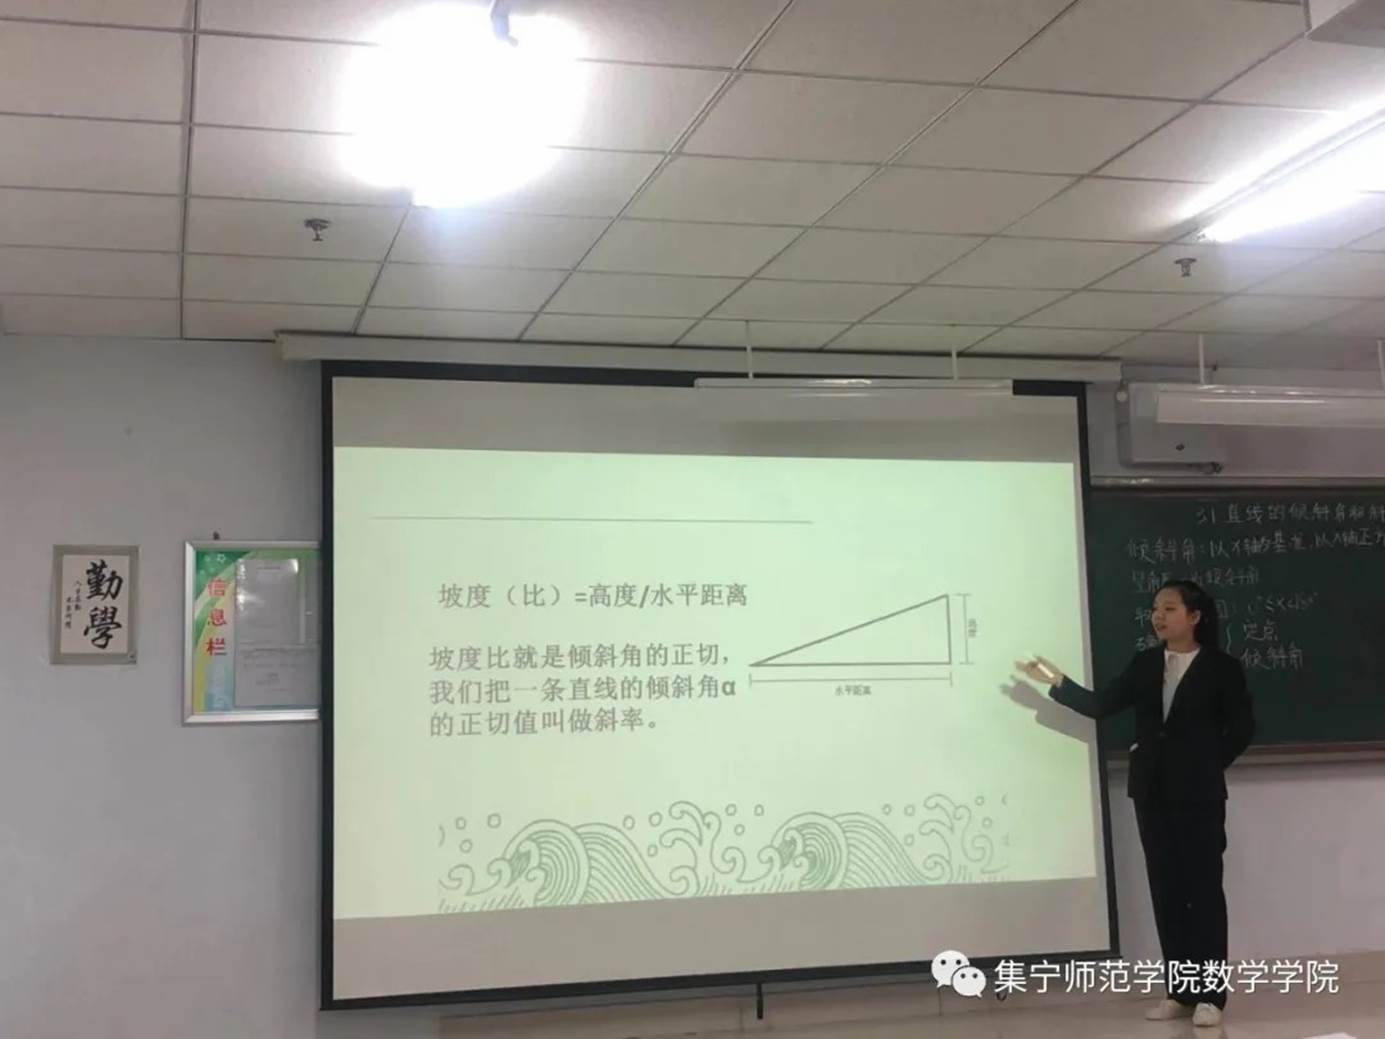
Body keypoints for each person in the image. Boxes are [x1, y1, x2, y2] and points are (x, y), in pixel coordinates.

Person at [1016, 579, 1254, 1028]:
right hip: (1151, 792)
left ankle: (1211, 996)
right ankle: (1180, 991)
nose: (1158, 616)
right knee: (1166, 892)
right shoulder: (1145, 664)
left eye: (1169, 608)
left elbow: (1242, 729)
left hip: (1199, 796)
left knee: (1203, 893)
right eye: (1155, 608)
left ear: (1195, 616)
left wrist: (1205, 764)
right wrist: (1056, 682)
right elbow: (1101, 704)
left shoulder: (1222, 668)